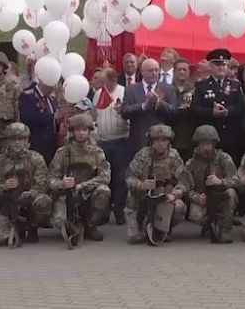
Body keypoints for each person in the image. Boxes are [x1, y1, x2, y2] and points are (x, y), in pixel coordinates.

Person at [48, 114, 112, 245]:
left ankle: (90, 225)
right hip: (66, 196)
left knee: (104, 191)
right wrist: (62, 184)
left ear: (89, 132)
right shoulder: (63, 152)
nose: (81, 133)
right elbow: (49, 179)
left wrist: (82, 186)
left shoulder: (97, 152)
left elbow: (105, 176)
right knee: (59, 221)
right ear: (72, 132)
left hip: (87, 194)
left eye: (84, 130)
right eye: (78, 130)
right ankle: (70, 223)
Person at [0, 122, 53, 245]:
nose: (17, 143)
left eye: (21, 139)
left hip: (30, 201)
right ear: (8, 141)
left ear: (27, 140)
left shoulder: (36, 158)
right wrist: (3, 187)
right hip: (9, 204)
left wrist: (30, 194)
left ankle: (32, 227)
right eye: (13, 139)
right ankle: (17, 226)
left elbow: (42, 183)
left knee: (44, 202)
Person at [124, 124, 188, 244]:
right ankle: (138, 227)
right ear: (151, 142)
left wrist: (174, 195)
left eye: (164, 140)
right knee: (134, 238)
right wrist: (141, 185)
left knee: (179, 206)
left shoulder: (174, 157)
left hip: (164, 196)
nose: (160, 143)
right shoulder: (142, 156)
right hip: (144, 196)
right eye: (157, 140)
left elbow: (184, 182)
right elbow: (129, 177)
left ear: (169, 142)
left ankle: (164, 228)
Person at [181, 125, 239, 243]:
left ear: (214, 144)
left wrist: (220, 181)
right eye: (202, 144)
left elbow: (236, 180)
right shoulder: (191, 163)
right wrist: (196, 197)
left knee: (231, 193)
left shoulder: (224, 158)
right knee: (195, 215)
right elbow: (184, 186)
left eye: (208, 144)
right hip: (202, 198)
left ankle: (225, 229)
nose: (205, 147)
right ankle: (209, 225)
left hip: (220, 197)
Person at [192, 49, 245, 165]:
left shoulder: (235, 85)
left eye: (224, 64)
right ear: (210, 66)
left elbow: (241, 108)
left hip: (231, 136)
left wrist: (228, 112)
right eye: (217, 65)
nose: (221, 67)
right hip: (210, 135)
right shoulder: (202, 86)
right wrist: (212, 112)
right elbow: (195, 109)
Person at [93, 67, 128, 225]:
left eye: (103, 80)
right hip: (103, 141)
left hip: (121, 141)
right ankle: (103, 211)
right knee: (103, 178)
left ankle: (119, 210)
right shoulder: (98, 94)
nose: (100, 83)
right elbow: (94, 115)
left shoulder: (124, 92)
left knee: (120, 178)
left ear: (113, 80)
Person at [121, 58, 178, 153]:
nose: (154, 73)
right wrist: (143, 106)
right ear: (142, 72)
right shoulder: (131, 90)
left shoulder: (169, 89)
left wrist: (158, 103)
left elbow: (174, 112)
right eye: (150, 70)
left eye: (156, 70)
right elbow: (124, 112)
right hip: (139, 140)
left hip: (161, 141)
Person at [18, 77, 60, 165]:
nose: (53, 88)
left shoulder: (52, 99)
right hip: (36, 143)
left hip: (51, 145)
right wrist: (52, 117)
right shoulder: (28, 95)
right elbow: (27, 117)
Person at [171, 59, 198, 160]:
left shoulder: (196, 89)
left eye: (184, 69)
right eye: (179, 69)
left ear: (189, 72)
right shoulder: (168, 89)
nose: (182, 72)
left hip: (190, 135)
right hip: (173, 135)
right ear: (173, 71)